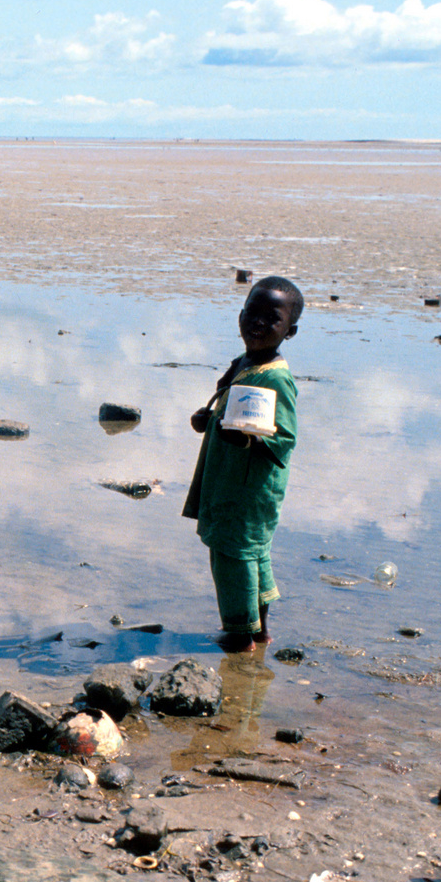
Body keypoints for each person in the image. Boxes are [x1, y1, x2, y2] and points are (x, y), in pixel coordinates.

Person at [182, 276, 303, 651]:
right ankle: (260, 630)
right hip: (229, 476)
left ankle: (239, 634)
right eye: (253, 313)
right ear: (240, 314)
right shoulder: (244, 362)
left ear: (290, 331)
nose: (258, 324)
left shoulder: (277, 378)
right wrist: (206, 416)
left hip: (249, 486)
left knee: (233, 554)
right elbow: (224, 401)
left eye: (272, 319)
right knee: (250, 552)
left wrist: (249, 439)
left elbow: (285, 438)